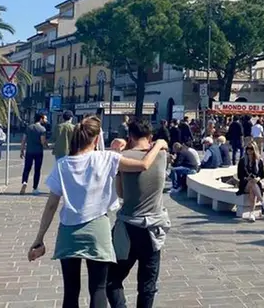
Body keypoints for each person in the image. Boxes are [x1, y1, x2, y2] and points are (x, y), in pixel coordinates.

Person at [27, 116, 166, 308]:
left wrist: (39, 238)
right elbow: (143, 164)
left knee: (70, 292)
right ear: (96, 139)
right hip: (97, 230)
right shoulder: (107, 158)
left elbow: (51, 206)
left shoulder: (63, 165)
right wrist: (159, 144)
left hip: (68, 232)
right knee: (98, 289)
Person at [107, 119, 171, 308]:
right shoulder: (161, 155)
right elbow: (158, 149)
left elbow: (121, 194)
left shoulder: (123, 157)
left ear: (130, 136)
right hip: (153, 229)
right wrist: (159, 143)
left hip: (127, 228)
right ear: (150, 136)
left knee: (112, 278)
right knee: (147, 285)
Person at [236, 143, 264, 222]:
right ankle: (262, 202)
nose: (249, 151)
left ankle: (251, 214)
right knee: (251, 183)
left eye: (251, 149)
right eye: (248, 149)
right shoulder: (243, 160)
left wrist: (258, 178)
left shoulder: (258, 161)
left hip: (255, 184)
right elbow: (239, 175)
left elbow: (262, 175)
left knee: (252, 189)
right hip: (244, 183)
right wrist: (246, 178)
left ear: (255, 150)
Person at [20, 113, 48, 195]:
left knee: (27, 168)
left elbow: (24, 140)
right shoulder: (42, 129)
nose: (46, 120)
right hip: (38, 152)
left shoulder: (29, 127)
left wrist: (22, 150)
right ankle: (35, 188)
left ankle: (24, 182)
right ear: (41, 119)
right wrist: (47, 146)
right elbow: (42, 141)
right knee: (37, 170)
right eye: (45, 119)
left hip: (29, 151)